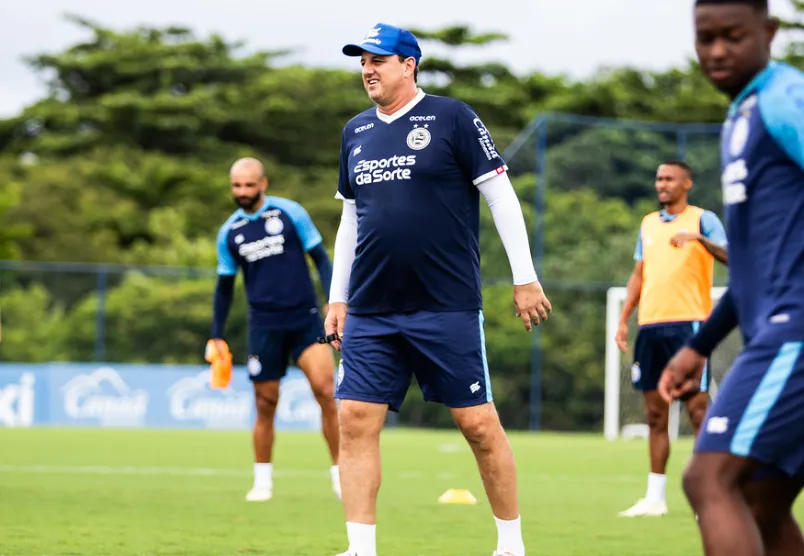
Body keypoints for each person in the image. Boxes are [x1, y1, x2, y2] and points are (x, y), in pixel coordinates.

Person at [325, 23, 552, 556]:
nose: (367, 69)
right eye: (362, 60)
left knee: (477, 424)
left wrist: (525, 277)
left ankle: (511, 544)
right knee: (354, 420)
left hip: (444, 305)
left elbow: (501, 197)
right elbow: (350, 221)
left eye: (378, 59)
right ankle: (360, 549)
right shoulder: (355, 131)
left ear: (410, 64)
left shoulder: (452, 117)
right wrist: (338, 297)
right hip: (372, 309)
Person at [658, 0, 804, 554]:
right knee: (763, 503)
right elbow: (748, 271)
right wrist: (699, 346)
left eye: (733, 36)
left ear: (768, 32)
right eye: (706, 38)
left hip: (794, 335)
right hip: (774, 331)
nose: (717, 51)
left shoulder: (783, 99)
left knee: (708, 479)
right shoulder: (741, 117)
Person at [210, 157, 341, 502]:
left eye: (248, 185)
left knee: (326, 391)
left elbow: (322, 258)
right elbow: (224, 287)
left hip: (305, 319)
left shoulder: (289, 213)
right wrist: (216, 334)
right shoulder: (230, 231)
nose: (242, 192)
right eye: (236, 186)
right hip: (264, 326)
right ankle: (263, 481)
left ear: (263, 184)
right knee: (265, 403)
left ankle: (341, 474)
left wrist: (334, 300)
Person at [616, 160, 728, 518]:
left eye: (669, 179)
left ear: (686, 183)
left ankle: (706, 497)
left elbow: (731, 256)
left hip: (690, 327)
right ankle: (654, 499)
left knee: (697, 411)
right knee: (654, 415)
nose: (661, 184)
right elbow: (639, 274)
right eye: (658, 179)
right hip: (650, 327)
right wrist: (623, 320)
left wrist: (700, 239)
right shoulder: (648, 223)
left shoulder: (703, 219)